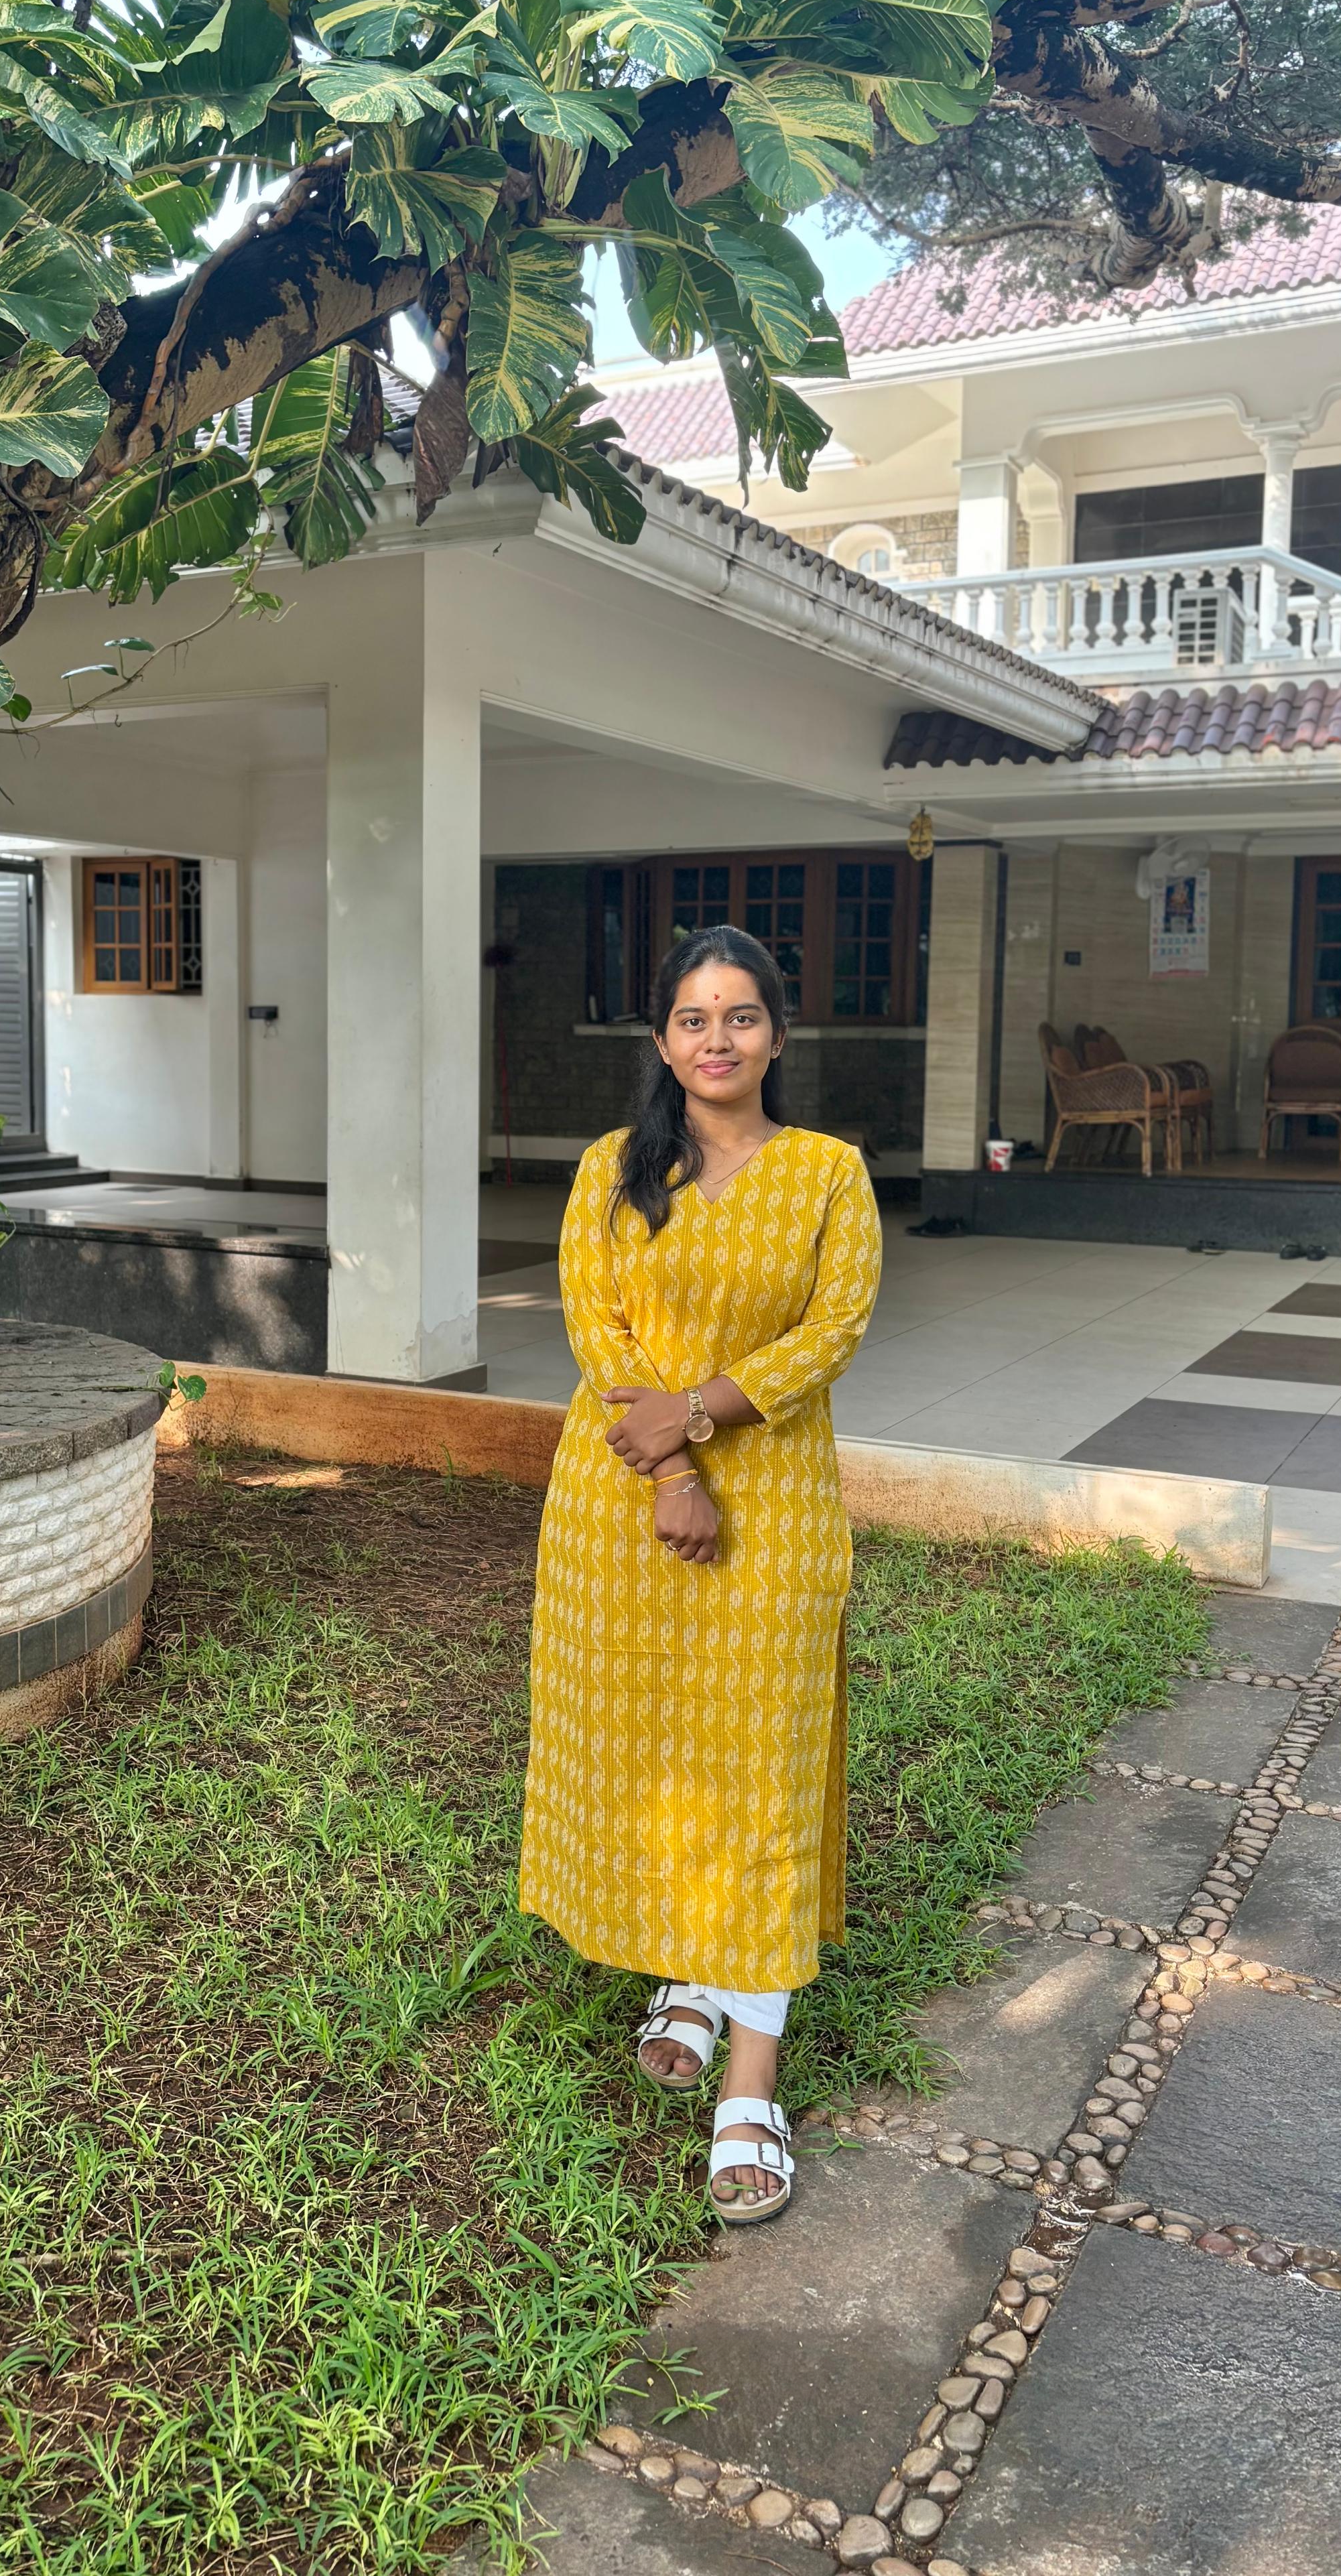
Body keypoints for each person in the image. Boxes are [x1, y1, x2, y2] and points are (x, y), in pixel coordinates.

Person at [519, 925, 883, 2224]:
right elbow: (596, 1324)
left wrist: (701, 1419)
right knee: (651, 1746)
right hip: (620, 1501)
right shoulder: (612, 1170)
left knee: (759, 1759)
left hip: (773, 1506)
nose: (716, 1038)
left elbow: (832, 1329)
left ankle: (753, 2075)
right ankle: (688, 1964)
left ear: (777, 1036)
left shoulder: (828, 1172)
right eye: (692, 1017)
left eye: (740, 1016)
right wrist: (672, 1466)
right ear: (664, 1042)